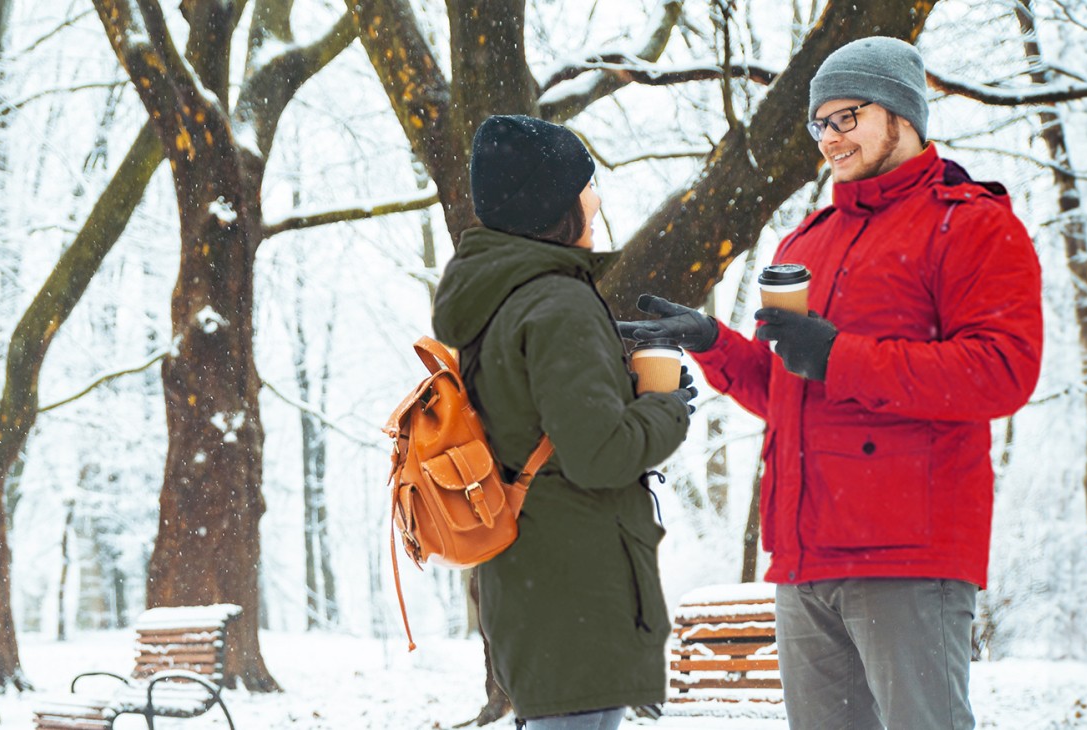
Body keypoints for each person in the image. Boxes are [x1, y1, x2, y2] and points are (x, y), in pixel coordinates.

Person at [619, 37, 1043, 730]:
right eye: (821, 122)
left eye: (849, 116)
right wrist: (711, 341)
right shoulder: (804, 243)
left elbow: (1001, 372)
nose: (831, 138)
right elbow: (787, 388)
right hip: (804, 558)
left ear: (902, 115)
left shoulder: (970, 225)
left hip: (908, 555)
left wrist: (840, 356)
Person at [433, 114, 697, 730]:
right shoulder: (558, 301)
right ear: (554, 202)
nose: (597, 198)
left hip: (530, 585)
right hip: (578, 594)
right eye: (587, 183)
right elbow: (598, 453)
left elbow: (534, 418)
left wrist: (621, 385)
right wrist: (666, 408)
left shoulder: (499, 296)